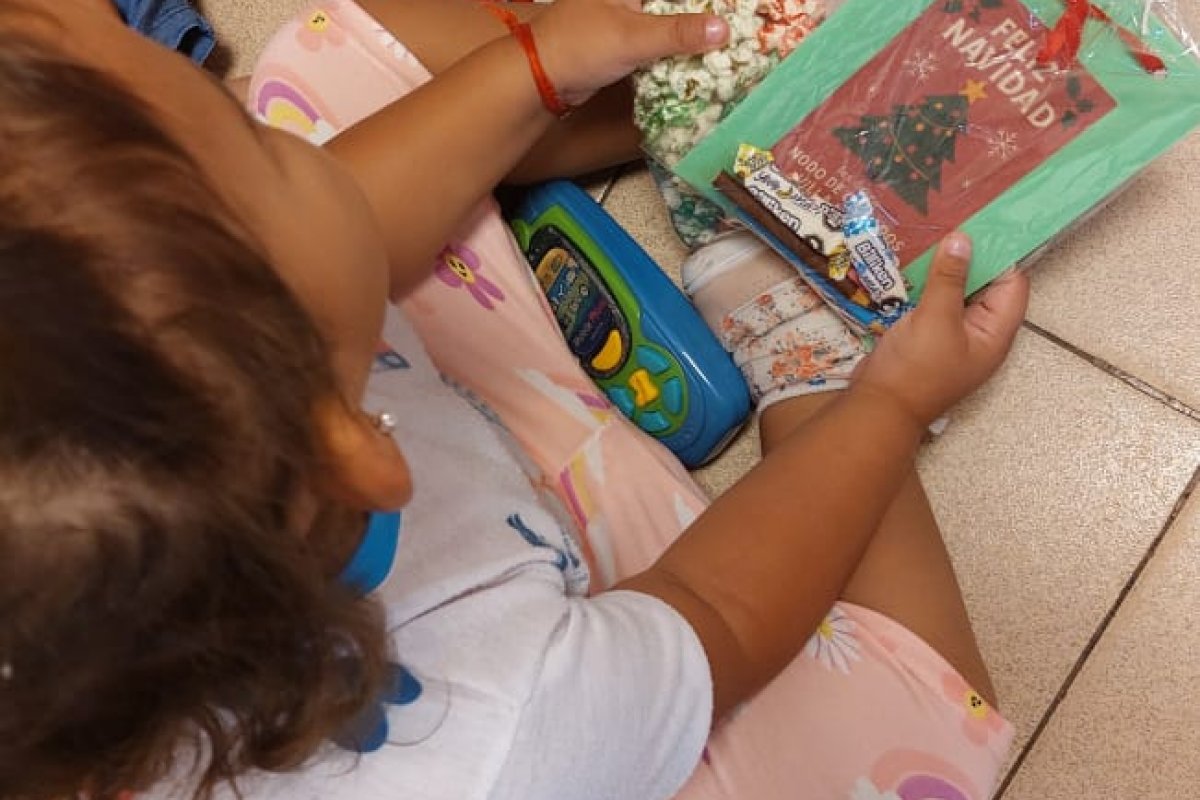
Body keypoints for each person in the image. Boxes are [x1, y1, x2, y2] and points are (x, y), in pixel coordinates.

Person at [0, 0, 1030, 798]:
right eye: (261, 149)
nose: (266, 136)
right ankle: (799, 344)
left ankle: (696, 117)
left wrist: (536, 68)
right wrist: (886, 406)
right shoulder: (497, 738)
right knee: (913, 733)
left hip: (350, 411)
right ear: (352, 450)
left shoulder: (176, 416)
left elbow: (326, 234)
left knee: (335, 70)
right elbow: (715, 609)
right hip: (600, 685)